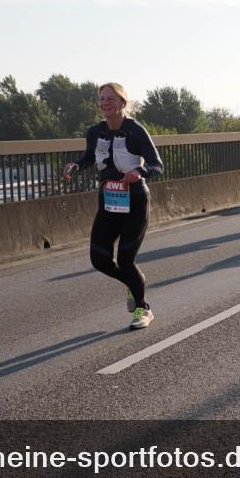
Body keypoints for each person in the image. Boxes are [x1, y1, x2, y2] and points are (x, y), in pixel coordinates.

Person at [65, 83, 164, 330]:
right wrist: (76, 166)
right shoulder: (95, 132)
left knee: (126, 259)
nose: (105, 102)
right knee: (99, 258)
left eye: (111, 98)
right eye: (102, 99)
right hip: (109, 200)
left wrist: (139, 171)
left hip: (135, 200)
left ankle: (143, 308)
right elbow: (90, 157)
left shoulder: (136, 131)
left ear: (123, 103)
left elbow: (157, 165)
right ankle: (132, 283)